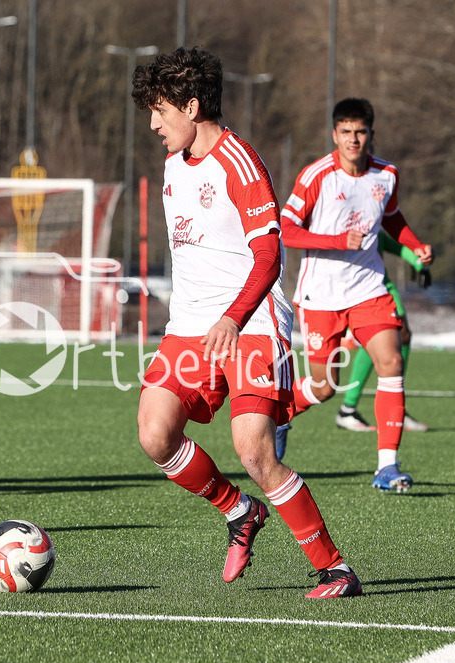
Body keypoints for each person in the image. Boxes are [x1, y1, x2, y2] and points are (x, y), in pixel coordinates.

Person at [131, 48, 361, 598]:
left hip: (252, 322)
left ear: (192, 107)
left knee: (255, 452)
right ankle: (239, 510)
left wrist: (233, 319)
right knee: (155, 434)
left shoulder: (241, 163)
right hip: (190, 326)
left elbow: (270, 256)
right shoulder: (172, 164)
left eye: (161, 110)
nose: (154, 123)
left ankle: (335, 569)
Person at [277, 97, 433, 492]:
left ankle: (387, 467)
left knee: (391, 361)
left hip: (368, 288)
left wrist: (415, 246)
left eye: (360, 131)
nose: (353, 139)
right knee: (324, 387)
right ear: (335, 135)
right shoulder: (316, 175)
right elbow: (286, 229)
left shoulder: (387, 174)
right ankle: (281, 413)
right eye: (345, 131)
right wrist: (336, 240)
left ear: (371, 134)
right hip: (321, 294)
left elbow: (392, 217)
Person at [335, 230, 430, 432]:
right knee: (374, 340)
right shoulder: (345, 223)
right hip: (354, 289)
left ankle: (394, 407)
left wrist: (418, 262)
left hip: (381, 286)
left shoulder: (374, 225)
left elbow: (395, 244)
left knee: (402, 335)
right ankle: (348, 408)